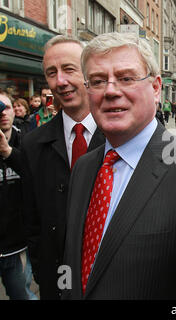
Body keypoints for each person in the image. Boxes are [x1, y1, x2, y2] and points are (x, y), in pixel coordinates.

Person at [61, 32, 176, 299]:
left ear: (156, 88)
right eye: (98, 81)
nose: (111, 90)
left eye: (126, 78)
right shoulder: (84, 167)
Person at [20, 35, 105, 300]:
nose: (60, 82)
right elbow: (31, 217)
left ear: (88, 73)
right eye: (51, 73)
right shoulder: (33, 143)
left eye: (69, 69)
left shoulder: (120, 136)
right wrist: (42, 271)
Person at [0, 91, 37, 300]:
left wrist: (7, 152)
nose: (3, 113)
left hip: (17, 245)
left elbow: (36, 176)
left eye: (6, 107)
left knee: (21, 294)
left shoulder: (27, 141)